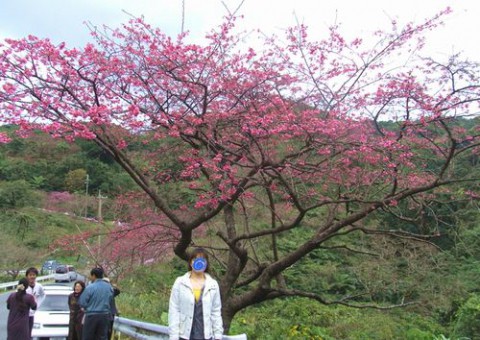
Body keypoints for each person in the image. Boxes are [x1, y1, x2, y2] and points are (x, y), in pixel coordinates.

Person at [168, 247, 223, 340]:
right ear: (190, 262)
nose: (198, 262)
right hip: (184, 336)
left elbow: (216, 311)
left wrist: (218, 335)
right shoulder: (180, 282)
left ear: (206, 263)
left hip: (206, 336)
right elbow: (174, 310)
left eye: (202, 260)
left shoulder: (213, 285)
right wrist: (173, 336)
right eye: (195, 259)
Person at [78, 267, 114, 340]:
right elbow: (111, 300)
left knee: (88, 337)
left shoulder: (90, 287)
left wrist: (87, 307)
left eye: (91, 276)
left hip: (91, 315)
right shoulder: (109, 287)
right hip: (105, 316)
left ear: (94, 275)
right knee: (102, 337)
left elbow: (82, 302)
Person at [25, 266, 45, 337]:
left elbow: (43, 295)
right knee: (24, 332)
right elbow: (16, 297)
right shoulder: (23, 286)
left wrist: (38, 304)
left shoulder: (39, 286)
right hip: (24, 314)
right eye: (30, 275)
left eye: (34, 275)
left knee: (32, 332)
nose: (32, 277)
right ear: (27, 276)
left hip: (34, 313)